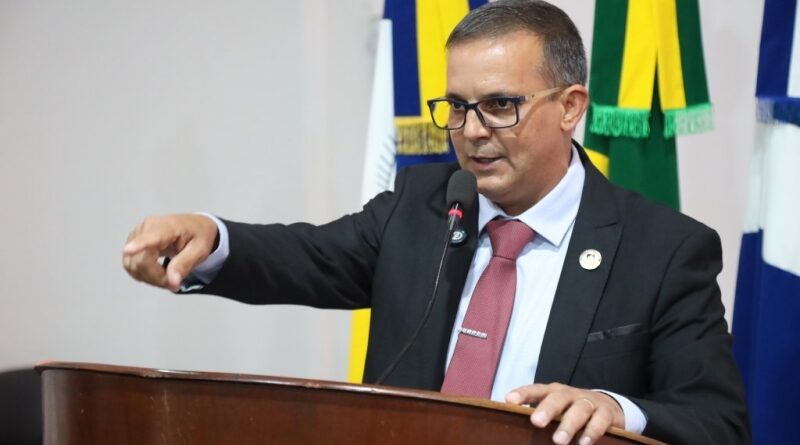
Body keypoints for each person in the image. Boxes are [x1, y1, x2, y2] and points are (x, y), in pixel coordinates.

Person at [122, 1, 749, 443]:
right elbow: (307, 256)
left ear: (570, 107)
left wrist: (612, 409)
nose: (470, 131)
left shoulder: (662, 249)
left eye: (499, 105)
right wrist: (213, 237)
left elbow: (718, 423)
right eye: (456, 106)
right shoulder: (424, 205)